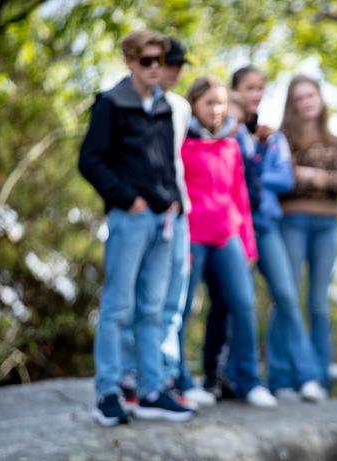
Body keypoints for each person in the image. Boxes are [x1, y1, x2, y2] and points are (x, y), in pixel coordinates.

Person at [78, 29, 194, 425]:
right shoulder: (111, 103)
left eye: (159, 61)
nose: (153, 69)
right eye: (145, 61)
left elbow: (168, 162)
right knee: (118, 308)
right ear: (129, 61)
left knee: (154, 309)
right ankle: (107, 391)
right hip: (129, 219)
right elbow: (90, 161)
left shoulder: (166, 107)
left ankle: (150, 390)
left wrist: (174, 200)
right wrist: (128, 198)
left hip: (166, 220)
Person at [199, 68, 326, 403]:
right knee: (233, 302)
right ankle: (227, 376)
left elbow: (285, 179)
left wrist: (257, 169)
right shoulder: (225, 132)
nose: (255, 94)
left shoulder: (273, 136)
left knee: (286, 293)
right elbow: (228, 175)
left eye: (260, 88)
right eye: (248, 88)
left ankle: (307, 376)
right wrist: (254, 164)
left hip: (266, 224)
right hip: (231, 225)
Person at [119, 37, 216, 412]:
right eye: (164, 63)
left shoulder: (179, 109)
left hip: (179, 215)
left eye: (175, 64)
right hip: (141, 215)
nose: (172, 71)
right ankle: (132, 375)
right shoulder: (130, 104)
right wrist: (132, 200)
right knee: (136, 300)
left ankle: (165, 374)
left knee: (172, 302)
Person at [179, 75, 277, 408]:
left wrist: (248, 243)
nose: (217, 109)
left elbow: (240, 198)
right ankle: (180, 378)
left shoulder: (231, 144)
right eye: (209, 102)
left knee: (243, 303)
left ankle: (249, 380)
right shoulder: (181, 140)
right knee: (182, 306)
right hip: (191, 235)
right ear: (194, 104)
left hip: (228, 234)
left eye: (221, 102)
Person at [278, 74, 337, 391]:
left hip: (327, 225)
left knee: (319, 302)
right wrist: (322, 178)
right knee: (287, 297)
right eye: (299, 98)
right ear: (292, 105)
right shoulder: (281, 138)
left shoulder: (334, 140)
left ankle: (319, 377)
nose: (306, 102)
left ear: (320, 99)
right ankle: (281, 376)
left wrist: (310, 176)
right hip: (292, 222)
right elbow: (283, 179)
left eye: (311, 96)